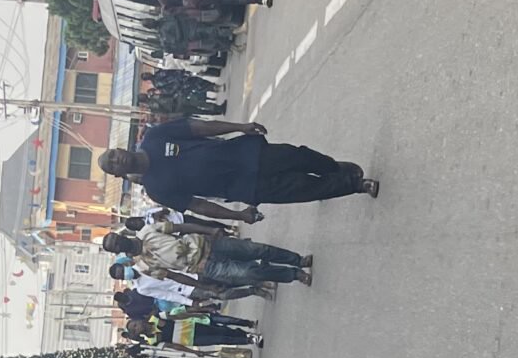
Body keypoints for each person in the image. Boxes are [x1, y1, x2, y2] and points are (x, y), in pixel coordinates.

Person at [101, 119, 377, 212]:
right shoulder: (156, 190)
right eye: (113, 165)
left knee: (301, 157)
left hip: (245, 154)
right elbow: (198, 206)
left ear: (120, 147)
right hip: (245, 186)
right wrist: (236, 217)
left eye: (113, 153)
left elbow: (199, 128)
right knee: (304, 189)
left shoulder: (155, 136)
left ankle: (332, 167)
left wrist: (240, 127)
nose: (117, 159)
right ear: (118, 175)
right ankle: (356, 185)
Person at [104, 227, 310, 296]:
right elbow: (175, 276)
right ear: (118, 252)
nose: (119, 242)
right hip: (205, 267)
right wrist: (205, 286)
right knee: (251, 274)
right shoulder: (143, 267)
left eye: (116, 238)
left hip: (209, 244)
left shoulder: (147, 230)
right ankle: (293, 275)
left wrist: (210, 229)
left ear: (120, 234)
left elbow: (181, 227)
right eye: (115, 246)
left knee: (257, 250)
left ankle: (297, 260)